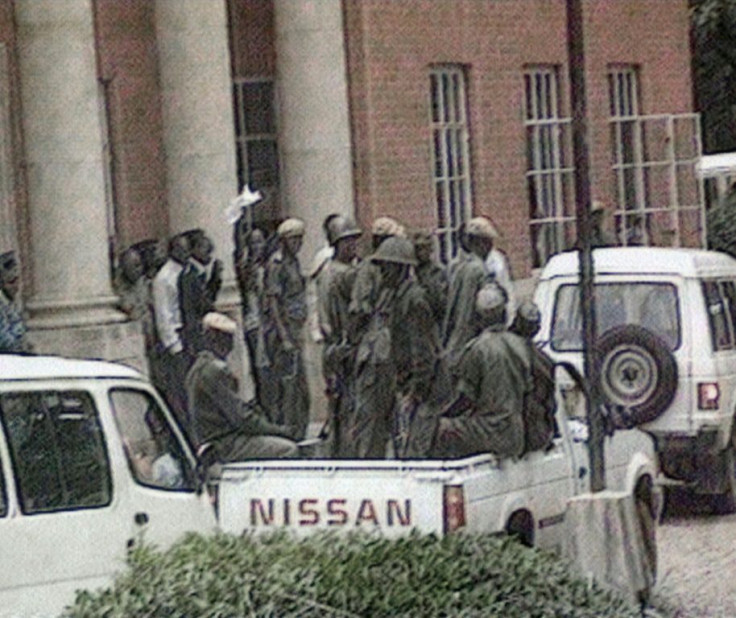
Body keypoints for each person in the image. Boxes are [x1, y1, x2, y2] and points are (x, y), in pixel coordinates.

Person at [371, 237, 450, 458]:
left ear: (399, 269)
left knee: (416, 454)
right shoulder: (399, 297)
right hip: (413, 387)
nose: (382, 273)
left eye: (386, 267)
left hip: (428, 393)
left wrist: (414, 393)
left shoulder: (414, 300)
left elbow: (424, 354)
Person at [432, 283, 530, 459]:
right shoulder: (520, 345)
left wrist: (442, 414)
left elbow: (465, 399)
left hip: (493, 432)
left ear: (479, 317)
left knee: (440, 428)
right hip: (516, 432)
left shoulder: (477, 349)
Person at [186, 312, 298, 461]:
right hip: (224, 444)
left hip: (216, 442)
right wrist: (279, 431)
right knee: (288, 449)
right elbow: (242, 418)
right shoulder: (214, 370)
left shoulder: (198, 367)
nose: (230, 344)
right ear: (213, 338)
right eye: (226, 338)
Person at [348, 216, 404, 458]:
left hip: (383, 348)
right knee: (374, 419)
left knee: (384, 417)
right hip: (378, 349)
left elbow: (357, 312)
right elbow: (359, 311)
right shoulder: (370, 269)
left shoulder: (376, 268)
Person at [263, 218, 310, 440]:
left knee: (299, 385)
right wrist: (284, 336)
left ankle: (298, 429)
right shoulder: (277, 264)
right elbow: (273, 302)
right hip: (284, 330)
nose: (298, 244)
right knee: (287, 384)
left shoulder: (295, 262)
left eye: (300, 239)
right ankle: (285, 430)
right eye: (294, 239)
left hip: (297, 327)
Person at [322, 217, 362, 457]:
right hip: (345, 348)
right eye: (348, 241)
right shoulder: (343, 275)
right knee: (349, 411)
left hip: (336, 348)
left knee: (340, 410)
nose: (353, 246)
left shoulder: (330, 271)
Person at [442, 216, 498, 379]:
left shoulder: (459, 267)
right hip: (470, 346)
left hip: (454, 345)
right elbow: (478, 313)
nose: (490, 248)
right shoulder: (479, 271)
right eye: (488, 243)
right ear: (480, 243)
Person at [234, 227, 276, 417]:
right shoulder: (246, 268)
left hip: (268, 322)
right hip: (254, 322)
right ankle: (263, 406)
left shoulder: (269, 265)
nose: (258, 246)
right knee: (259, 369)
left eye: (260, 241)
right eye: (254, 243)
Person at [152, 233, 191, 435]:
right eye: (181, 249)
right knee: (179, 390)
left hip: (189, 336)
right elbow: (163, 315)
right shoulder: (163, 278)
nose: (186, 254)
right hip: (176, 338)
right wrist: (174, 345)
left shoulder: (186, 272)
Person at [509, 300, 556, 453]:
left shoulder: (499, 351)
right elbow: (550, 407)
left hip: (507, 436)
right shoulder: (544, 361)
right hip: (533, 437)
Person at [179, 230, 223, 364]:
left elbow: (209, 298)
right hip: (198, 332)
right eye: (204, 248)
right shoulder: (189, 275)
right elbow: (190, 308)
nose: (208, 252)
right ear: (194, 250)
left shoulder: (200, 273)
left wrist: (216, 279)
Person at [412, 230, 448, 331]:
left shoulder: (438, 272)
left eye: (424, 248)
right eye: (417, 249)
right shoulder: (410, 272)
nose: (420, 253)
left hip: (433, 323)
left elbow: (442, 303)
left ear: (430, 249)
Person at [0, 250, 31, 354]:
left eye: (17, 280)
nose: (16, 286)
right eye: (11, 282)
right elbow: (5, 341)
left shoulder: (10, 303)